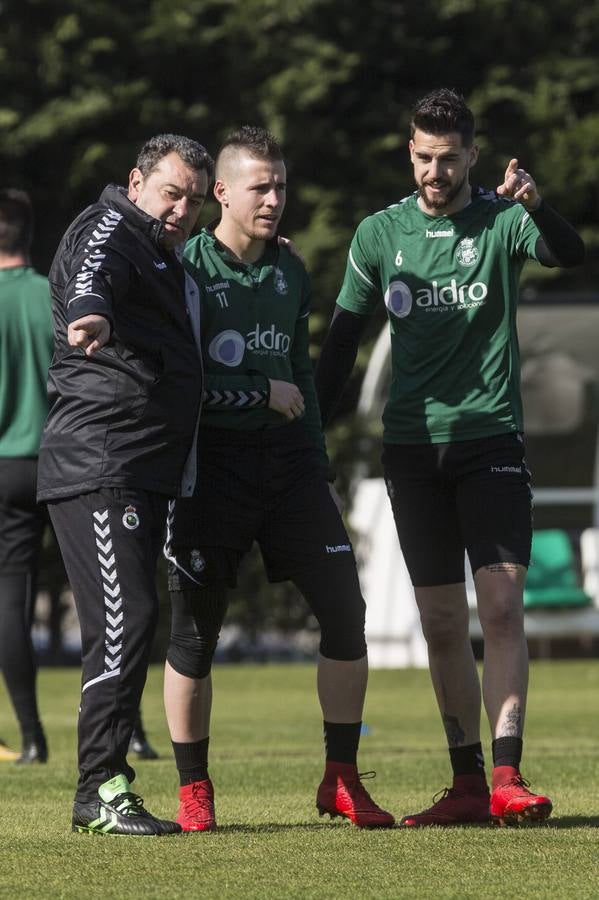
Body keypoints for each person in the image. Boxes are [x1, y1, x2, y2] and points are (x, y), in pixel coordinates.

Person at [315, 88, 585, 827]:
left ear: (472, 155)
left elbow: (569, 253)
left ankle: (506, 774)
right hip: (411, 452)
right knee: (439, 623)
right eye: (423, 158)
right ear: (410, 154)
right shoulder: (378, 234)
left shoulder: (502, 221)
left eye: (448, 158)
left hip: (490, 441)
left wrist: (534, 204)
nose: (434, 171)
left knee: (499, 608)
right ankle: (466, 781)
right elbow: (342, 341)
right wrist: (308, 424)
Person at [163, 125, 394, 832]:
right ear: (222, 193)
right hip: (211, 469)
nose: (273, 198)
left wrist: (319, 470)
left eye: (280, 186)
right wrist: (257, 390)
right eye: (259, 186)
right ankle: (193, 786)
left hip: (288, 467)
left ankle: (341, 777)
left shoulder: (290, 272)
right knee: (195, 637)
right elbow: (180, 385)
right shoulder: (184, 271)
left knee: (346, 615)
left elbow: (301, 379)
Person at [37, 134, 214, 836]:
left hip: (133, 467)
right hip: (99, 462)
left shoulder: (161, 247)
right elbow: (95, 274)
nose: (181, 210)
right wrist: (94, 312)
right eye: (172, 193)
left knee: (129, 619)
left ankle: (103, 787)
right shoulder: (112, 227)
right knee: (123, 620)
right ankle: (99, 790)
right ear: (136, 182)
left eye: (194, 202)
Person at [0, 189, 53, 765]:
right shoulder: (52, 296)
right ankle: (130, 728)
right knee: (102, 597)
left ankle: (32, 736)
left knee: (10, 602)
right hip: (63, 462)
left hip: (3, 467)